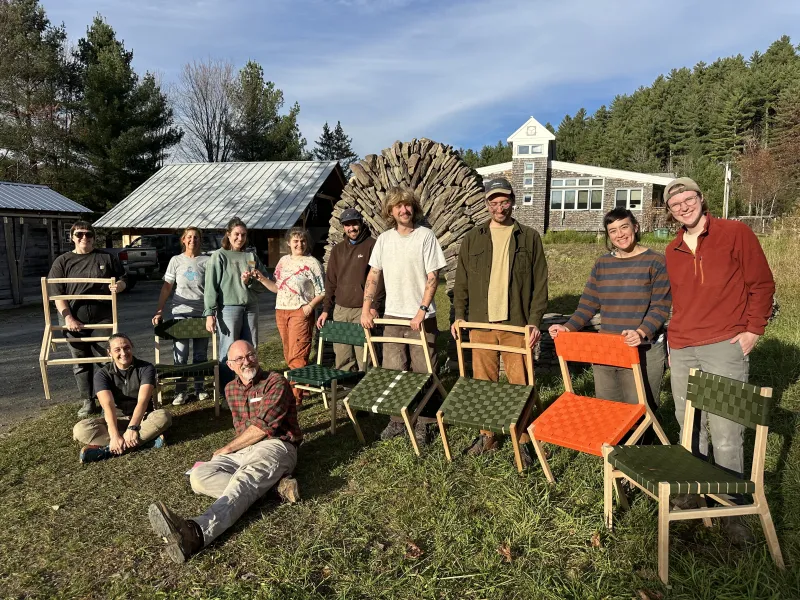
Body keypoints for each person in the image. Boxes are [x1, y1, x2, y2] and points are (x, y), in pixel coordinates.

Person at [663, 177, 775, 544]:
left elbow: (761, 284)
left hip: (724, 343)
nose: (683, 206)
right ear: (670, 211)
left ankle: (732, 507)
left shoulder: (735, 232)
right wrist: (671, 341)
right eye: (675, 203)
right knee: (688, 426)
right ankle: (692, 493)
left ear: (701, 199)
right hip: (682, 347)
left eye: (688, 198)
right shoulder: (673, 248)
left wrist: (753, 330)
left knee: (726, 427)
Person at [148, 340, 302, 563]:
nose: (246, 362)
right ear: (230, 365)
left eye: (250, 356)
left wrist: (227, 449)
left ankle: (195, 533)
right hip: (245, 448)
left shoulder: (275, 382)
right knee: (199, 478)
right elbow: (242, 429)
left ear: (257, 357)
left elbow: (262, 427)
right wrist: (231, 452)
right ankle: (274, 489)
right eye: (239, 359)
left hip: (277, 445)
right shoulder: (230, 389)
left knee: (243, 480)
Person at [452, 177, 549, 456]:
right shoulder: (473, 238)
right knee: (484, 382)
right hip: (480, 323)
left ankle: (523, 438)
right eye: (494, 202)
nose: (500, 207)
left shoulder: (528, 237)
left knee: (520, 383)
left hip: (515, 323)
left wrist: (534, 321)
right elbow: (462, 282)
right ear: (486, 204)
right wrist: (459, 315)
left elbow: (540, 282)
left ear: (513, 202)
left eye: (504, 201)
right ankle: (488, 436)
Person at [549, 207, 671, 410]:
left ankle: (641, 443)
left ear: (636, 227)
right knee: (608, 410)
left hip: (642, 347)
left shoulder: (656, 262)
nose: (620, 234)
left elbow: (660, 307)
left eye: (624, 227)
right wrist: (567, 328)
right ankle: (613, 444)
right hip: (607, 348)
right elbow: (587, 304)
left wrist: (641, 332)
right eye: (613, 230)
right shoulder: (602, 264)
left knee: (640, 411)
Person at [361, 186, 446, 445]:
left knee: (424, 370)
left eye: (407, 205)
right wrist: (366, 307)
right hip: (392, 318)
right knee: (394, 369)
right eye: (398, 206)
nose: (404, 209)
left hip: (421, 317)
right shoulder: (384, 240)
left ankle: (426, 422)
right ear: (391, 211)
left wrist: (421, 310)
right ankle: (398, 420)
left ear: (414, 208)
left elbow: (433, 276)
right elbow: (374, 274)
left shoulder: (425, 236)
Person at [48, 220, 127, 418]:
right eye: (80, 235)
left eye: (88, 234)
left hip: (102, 317)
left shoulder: (105, 257)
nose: (84, 238)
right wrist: (68, 318)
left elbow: (125, 277)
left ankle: (108, 398)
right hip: (73, 318)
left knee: (106, 358)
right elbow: (57, 294)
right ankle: (88, 401)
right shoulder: (62, 261)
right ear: (72, 238)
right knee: (81, 362)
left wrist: (120, 286)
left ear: (94, 237)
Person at [250, 227, 325, 405]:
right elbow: (278, 287)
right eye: (296, 241)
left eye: (303, 241)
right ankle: (302, 386)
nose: (299, 244)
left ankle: (294, 399)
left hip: (300, 311)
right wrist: (261, 279)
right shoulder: (283, 261)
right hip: (281, 310)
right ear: (289, 243)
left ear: (307, 243)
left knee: (297, 355)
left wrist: (309, 307)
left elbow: (322, 291)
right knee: (288, 352)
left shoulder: (313, 263)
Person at [73, 333, 172, 463]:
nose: (123, 353)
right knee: (80, 429)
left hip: (142, 419)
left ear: (132, 347)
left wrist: (132, 428)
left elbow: (143, 401)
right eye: (117, 350)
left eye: (126, 348)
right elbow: (108, 407)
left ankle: (107, 451)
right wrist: (114, 435)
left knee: (163, 416)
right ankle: (143, 442)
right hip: (114, 421)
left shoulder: (146, 368)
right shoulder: (102, 374)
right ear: (109, 353)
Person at [203, 217, 268, 391]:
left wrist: (250, 282)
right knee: (229, 350)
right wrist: (209, 313)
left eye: (244, 235)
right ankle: (227, 390)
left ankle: (251, 386)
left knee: (250, 349)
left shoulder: (251, 256)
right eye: (237, 234)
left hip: (251, 307)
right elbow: (210, 287)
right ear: (228, 234)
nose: (240, 238)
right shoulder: (219, 256)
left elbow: (262, 283)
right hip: (229, 308)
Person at [317, 208, 384, 372]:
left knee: (365, 356)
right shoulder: (337, 250)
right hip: (340, 309)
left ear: (360, 223)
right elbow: (331, 281)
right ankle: (345, 392)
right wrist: (326, 310)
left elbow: (380, 279)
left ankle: (366, 391)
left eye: (354, 224)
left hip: (363, 310)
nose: (351, 228)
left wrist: (374, 306)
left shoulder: (372, 245)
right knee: (342, 356)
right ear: (343, 227)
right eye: (347, 225)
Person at [152, 227, 210, 405]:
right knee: (181, 355)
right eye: (189, 237)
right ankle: (181, 391)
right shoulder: (175, 261)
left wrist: (212, 311)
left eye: (196, 237)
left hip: (202, 313)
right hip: (180, 313)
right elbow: (167, 287)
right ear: (183, 240)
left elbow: (213, 289)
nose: (193, 240)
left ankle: (200, 388)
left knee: (200, 355)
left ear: (200, 240)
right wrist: (159, 310)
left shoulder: (208, 261)